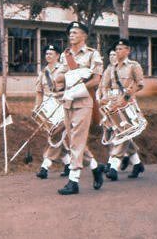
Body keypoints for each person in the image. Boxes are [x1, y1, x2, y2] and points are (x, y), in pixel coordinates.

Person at [57, 21, 104, 195]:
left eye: (75, 32)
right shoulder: (66, 55)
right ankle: (95, 167)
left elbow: (96, 80)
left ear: (84, 35)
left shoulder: (93, 55)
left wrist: (78, 89)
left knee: (76, 138)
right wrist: (59, 78)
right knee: (72, 140)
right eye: (70, 32)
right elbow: (60, 76)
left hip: (84, 101)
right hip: (68, 101)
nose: (71, 35)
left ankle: (73, 180)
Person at [100, 38, 145, 180]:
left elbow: (139, 84)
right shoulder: (111, 68)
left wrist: (125, 98)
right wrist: (104, 98)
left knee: (124, 132)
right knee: (120, 133)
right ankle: (137, 164)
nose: (118, 51)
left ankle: (114, 165)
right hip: (113, 104)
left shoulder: (133, 65)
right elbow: (104, 85)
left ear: (128, 50)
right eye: (117, 49)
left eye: (121, 49)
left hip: (127, 103)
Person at [34, 44, 71, 179]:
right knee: (55, 136)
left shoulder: (63, 70)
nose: (48, 56)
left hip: (61, 107)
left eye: (51, 53)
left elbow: (70, 88)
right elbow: (39, 92)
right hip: (47, 107)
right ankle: (68, 164)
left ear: (57, 55)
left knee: (56, 135)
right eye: (46, 54)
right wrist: (37, 107)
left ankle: (45, 166)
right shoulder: (43, 72)